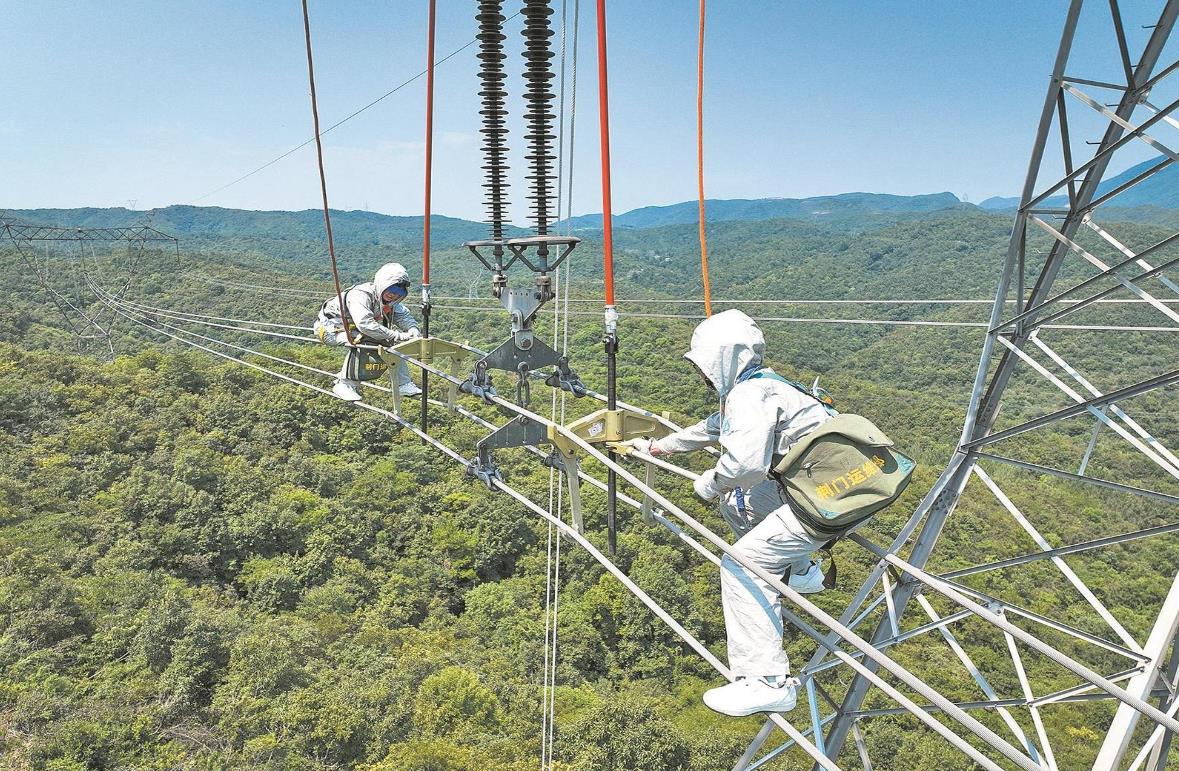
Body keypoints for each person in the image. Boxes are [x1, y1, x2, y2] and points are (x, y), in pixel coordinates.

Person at [625, 309, 833, 717]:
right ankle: (802, 572)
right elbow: (714, 428)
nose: (702, 376)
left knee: (739, 565)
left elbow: (745, 467)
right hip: (834, 488)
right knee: (741, 503)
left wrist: (710, 482)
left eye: (704, 365)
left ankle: (766, 681)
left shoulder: (748, 395)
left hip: (822, 502)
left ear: (722, 358)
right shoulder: (768, 385)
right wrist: (660, 447)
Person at [314, 262, 423, 402]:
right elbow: (365, 324)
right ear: (382, 285)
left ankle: (403, 383)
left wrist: (412, 329)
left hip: (353, 329)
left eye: (399, 292)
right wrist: (398, 334)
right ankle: (345, 383)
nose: (393, 294)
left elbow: (403, 316)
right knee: (365, 340)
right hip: (330, 329)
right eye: (391, 289)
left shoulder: (388, 301)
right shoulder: (361, 295)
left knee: (392, 342)